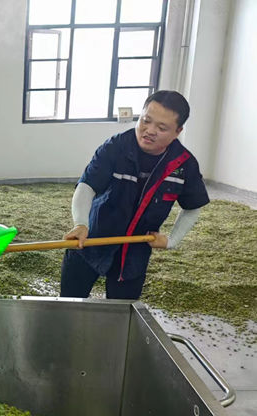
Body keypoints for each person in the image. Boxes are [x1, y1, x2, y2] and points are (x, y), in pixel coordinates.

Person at [60, 90, 209, 300]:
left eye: (162, 128)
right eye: (146, 121)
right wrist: (80, 224)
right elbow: (87, 186)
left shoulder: (184, 165)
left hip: (134, 252)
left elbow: (192, 207)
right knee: (70, 301)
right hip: (91, 239)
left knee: (122, 311)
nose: (150, 131)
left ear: (178, 131)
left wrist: (172, 240)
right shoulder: (115, 147)